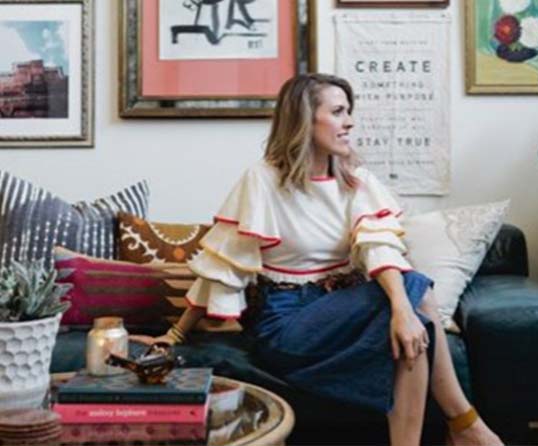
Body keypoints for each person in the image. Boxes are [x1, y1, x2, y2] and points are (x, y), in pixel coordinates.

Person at [133, 73, 503, 446]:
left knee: (412, 323)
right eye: (339, 112)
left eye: (349, 111)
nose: (350, 122)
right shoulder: (262, 180)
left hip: (342, 311)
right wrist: (175, 334)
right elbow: (223, 265)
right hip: (287, 322)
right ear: (305, 119)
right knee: (411, 295)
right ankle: (466, 425)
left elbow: (379, 248)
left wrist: (402, 312)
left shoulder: (355, 181)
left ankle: (447, 431)